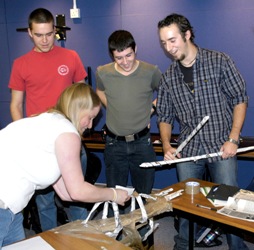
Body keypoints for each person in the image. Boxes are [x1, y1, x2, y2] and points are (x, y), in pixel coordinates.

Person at [156, 13, 249, 250]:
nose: (168, 48)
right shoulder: (168, 78)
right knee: (187, 205)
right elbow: (164, 117)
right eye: (164, 43)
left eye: (172, 40)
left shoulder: (219, 61)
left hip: (222, 146)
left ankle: (237, 247)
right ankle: (182, 245)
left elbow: (240, 99)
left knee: (229, 205)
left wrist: (233, 138)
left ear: (187, 35)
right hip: (189, 152)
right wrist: (167, 145)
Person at [0, 83, 130, 247]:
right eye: (90, 118)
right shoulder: (68, 134)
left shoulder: (48, 120)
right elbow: (78, 191)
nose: (90, 125)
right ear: (78, 109)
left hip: (11, 207)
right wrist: (113, 194)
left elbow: (66, 194)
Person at [8, 8, 88, 231]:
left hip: (69, 139)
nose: (44, 40)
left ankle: (81, 239)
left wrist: (79, 130)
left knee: (76, 197)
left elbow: (84, 98)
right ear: (30, 34)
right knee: (44, 204)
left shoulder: (71, 57)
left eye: (49, 34)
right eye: (39, 35)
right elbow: (16, 105)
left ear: (55, 31)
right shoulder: (20, 63)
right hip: (40, 144)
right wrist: (24, 137)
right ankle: (50, 242)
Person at [96, 29, 161, 203]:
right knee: (115, 198)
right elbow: (100, 91)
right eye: (119, 57)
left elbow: (166, 93)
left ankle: (144, 229)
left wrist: (150, 109)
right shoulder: (103, 72)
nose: (125, 62)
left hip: (142, 143)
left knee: (144, 196)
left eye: (129, 55)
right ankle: (118, 230)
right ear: (112, 56)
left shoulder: (151, 71)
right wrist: (112, 106)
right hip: (114, 144)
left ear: (135, 49)